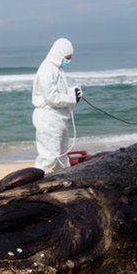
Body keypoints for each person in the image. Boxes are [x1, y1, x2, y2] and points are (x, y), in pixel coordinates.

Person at [32, 38, 82, 173]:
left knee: (62, 156)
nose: (68, 61)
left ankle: (63, 182)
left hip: (59, 118)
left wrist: (74, 92)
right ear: (59, 53)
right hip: (48, 118)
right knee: (49, 158)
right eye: (67, 57)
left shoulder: (58, 69)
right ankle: (38, 185)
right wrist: (73, 99)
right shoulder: (47, 69)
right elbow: (52, 98)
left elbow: (60, 92)